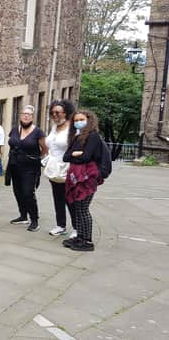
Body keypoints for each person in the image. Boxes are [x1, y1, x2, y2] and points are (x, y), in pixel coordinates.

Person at [62, 109, 103, 252]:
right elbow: (65, 157)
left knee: (83, 209)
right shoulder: (76, 137)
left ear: (89, 120)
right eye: (76, 120)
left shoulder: (93, 136)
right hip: (75, 176)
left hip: (87, 177)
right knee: (78, 209)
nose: (78, 122)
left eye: (81, 120)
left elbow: (86, 157)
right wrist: (75, 153)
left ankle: (87, 241)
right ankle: (80, 237)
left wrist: (75, 155)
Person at [6, 105, 47, 232]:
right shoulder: (14, 130)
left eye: (28, 114)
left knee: (28, 193)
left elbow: (45, 149)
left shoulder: (38, 132)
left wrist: (35, 158)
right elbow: (12, 144)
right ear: (20, 115)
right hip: (14, 165)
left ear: (32, 117)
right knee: (17, 191)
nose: (26, 115)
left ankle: (34, 220)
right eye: (24, 113)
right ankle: (23, 216)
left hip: (30, 168)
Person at [44, 99, 77, 237]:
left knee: (70, 199)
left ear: (66, 113)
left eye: (58, 112)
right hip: (53, 168)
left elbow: (77, 148)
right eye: (52, 113)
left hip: (67, 168)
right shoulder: (54, 127)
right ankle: (60, 225)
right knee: (57, 197)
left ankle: (77, 227)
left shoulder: (73, 129)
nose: (55, 115)